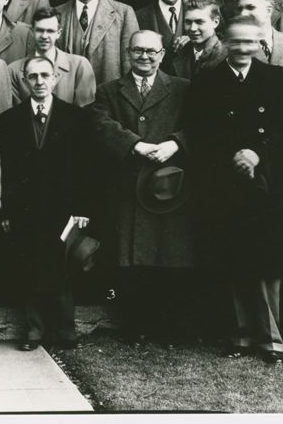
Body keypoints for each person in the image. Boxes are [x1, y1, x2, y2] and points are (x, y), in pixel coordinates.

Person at [186, 16, 283, 364]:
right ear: (225, 41)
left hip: (267, 183)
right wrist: (232, 156)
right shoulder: (207, 81)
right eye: (236, 42)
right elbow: (199, 132)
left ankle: (272, 340)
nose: (243, 48)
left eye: (250, 41)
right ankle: (241, 335)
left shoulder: (276, 78)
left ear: (260, 42)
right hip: (226, 181)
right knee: (233, 257)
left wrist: (257, 153)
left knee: (267, 260)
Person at [91, 30, 193, 345]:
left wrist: (175, 144)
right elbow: (99, 124)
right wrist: (134, 145)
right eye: (138, 51)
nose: (144, 57)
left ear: (162, 54)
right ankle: (137, 326)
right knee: (132, 260)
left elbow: (200, 124)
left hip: (169, 186)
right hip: (128, 186)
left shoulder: (182, 89)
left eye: (151, 51)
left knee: (169, 257)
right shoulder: (109, 90)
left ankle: (169, 328)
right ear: (128, 53)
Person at [0, 55, 92, 350]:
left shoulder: (76, 117)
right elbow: (6, 169)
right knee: (29, 268)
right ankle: (34, 331)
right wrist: (7, 211)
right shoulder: (9, 120)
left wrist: (81, 209)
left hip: (63, 208)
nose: (39, 82)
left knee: (61, 268)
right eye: (32, 76)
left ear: (55, 78)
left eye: (44, 75)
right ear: (25, 81)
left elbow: (86, 167)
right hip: (26, 208)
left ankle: (66, 330)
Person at [56, 0, 139, 85]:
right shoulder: (57, 13)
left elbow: (130, 61)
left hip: (108, 93)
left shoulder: (123, 13)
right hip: (66, 93)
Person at [8, 7, 96, 106]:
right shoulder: (14, 70)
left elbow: (84, 113)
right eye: (40, 30)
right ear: (32, 32)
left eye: (50, 31)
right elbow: (16, 114)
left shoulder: (79, 66)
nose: (44, 36)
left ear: (59, 33)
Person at [235, 0, 283, 66]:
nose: (243, 14)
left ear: (268, 10)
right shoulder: (231, 48)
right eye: (240, 9)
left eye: (250, 7)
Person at [164, 0, 226, 79]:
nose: (192, 28)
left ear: (215, 22)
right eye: (188, 22)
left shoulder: (225, 56)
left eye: (199, 22)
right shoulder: (179, 52)